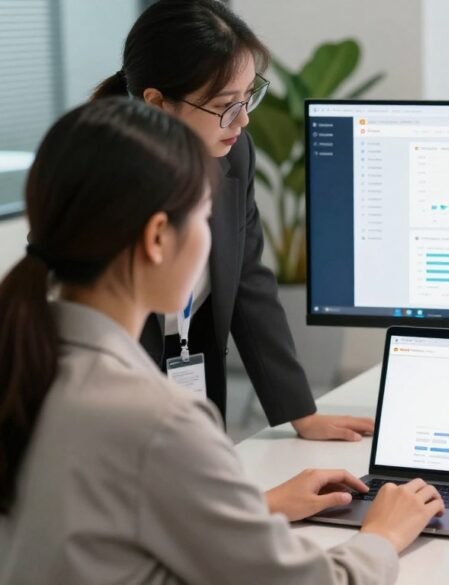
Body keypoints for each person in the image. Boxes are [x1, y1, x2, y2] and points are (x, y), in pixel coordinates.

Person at [0, 98, 444, 584]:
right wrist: (383, 534)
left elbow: (107, 521)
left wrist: (255, 507)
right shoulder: (157, 421)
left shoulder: (24, 363)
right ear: (157, 239)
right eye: (206, 215)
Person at [92, 0, 372, 440]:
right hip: (110, 398)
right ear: (158, 103)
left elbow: (248, 280)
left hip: (195, 383)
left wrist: (301, 412)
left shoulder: (232, 153)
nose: (242, 119)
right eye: (226, 104)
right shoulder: (97, 181)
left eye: (248, 97)